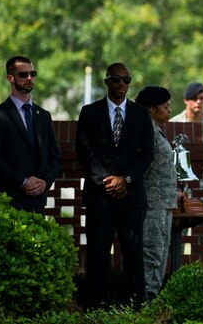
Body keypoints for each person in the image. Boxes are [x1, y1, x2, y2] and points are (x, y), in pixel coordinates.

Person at [75, 62, 155, 309]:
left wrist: (126, 179)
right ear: (107, 81)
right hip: (100, 196)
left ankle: (133, 306)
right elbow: (84, 151)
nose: (122, 85)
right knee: (98, 252)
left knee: (133, 253)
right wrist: (107, 181)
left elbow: (147, 153)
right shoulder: (89, 112)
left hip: (132, 195)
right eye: (117, 80)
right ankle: (96, 305)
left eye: (127, 80)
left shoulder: (141, 114)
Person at [0, 56, 61, 214]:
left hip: (37, 202)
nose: (29, 78)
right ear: (10, 78)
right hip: (8, 201)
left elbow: (54, 157)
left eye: (33, 73)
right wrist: (22, 181)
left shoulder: (43, 115)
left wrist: (44, 182)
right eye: (23, 75)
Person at [135, 86, 177, 301]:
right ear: (152, 109)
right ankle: (145, 304)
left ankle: (151, 302)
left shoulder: (156, 130)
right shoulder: (146, 132)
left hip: (164, 203)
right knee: (151, 253)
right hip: (152, 206)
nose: (169, 110)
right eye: (165, 106)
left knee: (160, 255)